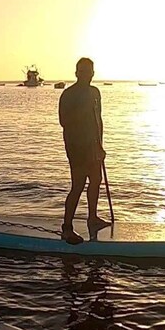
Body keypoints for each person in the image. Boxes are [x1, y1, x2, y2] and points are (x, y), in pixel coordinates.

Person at [58, 57, 111, 244]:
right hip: (76, 147)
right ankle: (66, 227)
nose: (84, 75)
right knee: (78, 185)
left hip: (93, 146)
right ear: (76, 73)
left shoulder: (95, 92)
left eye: (87, 71)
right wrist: (83, 109)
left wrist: (100, 145)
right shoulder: (68, 94)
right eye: (81, 71)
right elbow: (64, 121)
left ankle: (92, 218)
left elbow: (99, 120)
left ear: (93, 73)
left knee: (96, 180)